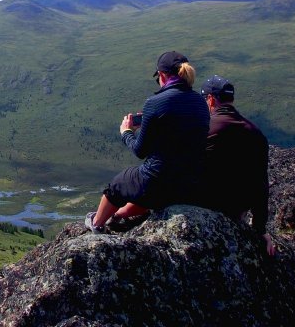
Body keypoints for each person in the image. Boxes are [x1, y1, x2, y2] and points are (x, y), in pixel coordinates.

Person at [85, 51, 210, 232]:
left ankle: (96, 224)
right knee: (141, 186)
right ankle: (118, 216)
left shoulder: (155, 102)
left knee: (119, 184)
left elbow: (140, 151)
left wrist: (127, 132)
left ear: (162, 75)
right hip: (188, 186)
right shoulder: (201, 102)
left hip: (158, 183)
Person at [199, 74, 276, 256]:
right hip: (236, 210)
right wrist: (259, 229)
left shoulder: (206, 128)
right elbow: (260, 185)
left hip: (206, 206)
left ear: (210, 99)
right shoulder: (255, 133)